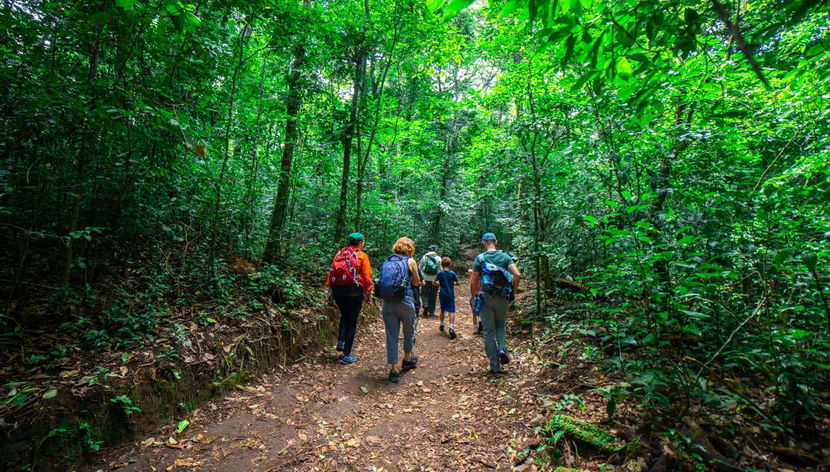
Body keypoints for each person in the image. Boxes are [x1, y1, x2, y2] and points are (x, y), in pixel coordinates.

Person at [469, 233, 521, 375]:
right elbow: (517, 274)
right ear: (496, 242)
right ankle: (502, 349)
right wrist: (513, 292)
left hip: (486, 297)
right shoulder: (505, 257)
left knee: (488, 331)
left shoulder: (480, 258)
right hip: (502, 297)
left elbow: (473, 281)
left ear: (484, 243)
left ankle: (495, 366)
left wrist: (473, 298)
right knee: (500, 326)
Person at [376, 237, 421, 383]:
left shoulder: (387, 262)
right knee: (409, 332)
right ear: (410, 248)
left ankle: (394, 369)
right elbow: (416, 282)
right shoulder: (410, 261)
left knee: (391, 335)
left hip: (388, 303)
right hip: (405, 302)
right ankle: (407, 359)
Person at [325, 232, 373, 364]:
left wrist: (329, 287)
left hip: (337, 291)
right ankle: (347, 354)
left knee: (345, 315)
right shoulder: (362, 256)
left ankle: (341, 341)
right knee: (352, 320)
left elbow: (332, 271)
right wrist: (369, 292)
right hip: (353, 292)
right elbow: (367, 277)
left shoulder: (339, 253)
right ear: (361, 243)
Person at [433, 257, 460, 339]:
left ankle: (441, 324)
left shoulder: (440, 273)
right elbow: (458, 283)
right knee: (452, 311)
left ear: (441, 264)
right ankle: (451, 327)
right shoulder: (452, 273)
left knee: (442, 309)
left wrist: (439, 284)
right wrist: (453, 283)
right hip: (450, 294)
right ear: (450, 264)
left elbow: (434, 282)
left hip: (442, 294)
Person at [418, 245, 442, 317]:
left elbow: (420, 267)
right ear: (435, 250)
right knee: (433, 294)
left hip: (425, 278)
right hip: (435, 279)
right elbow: (440, 269)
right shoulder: (438, 258)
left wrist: (420, 277)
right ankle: (431, 312)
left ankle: (425, 304)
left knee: (424, 293)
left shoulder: (425, 257)